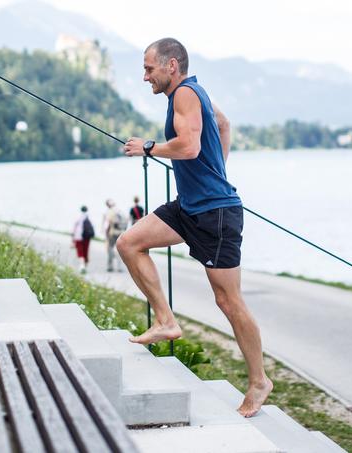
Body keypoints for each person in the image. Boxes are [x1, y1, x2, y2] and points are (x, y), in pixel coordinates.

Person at [119, 38, 272, 418]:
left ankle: (259, 382)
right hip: (190, 206)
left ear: (172, 66)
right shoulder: (194, 93)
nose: (145, 76)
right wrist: (216, 170)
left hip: (216, 214)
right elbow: (223, 123)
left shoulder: (186, 94)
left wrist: (149, 147)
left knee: (228, 302)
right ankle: (166, 321)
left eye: (149, 68)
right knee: (129, 243)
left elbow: (187, 147)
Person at [102, 199, 126, 272]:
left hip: (112, 233)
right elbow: (126, 221)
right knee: (119, 250)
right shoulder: (120, 211)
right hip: (121, 232)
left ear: (107, 205)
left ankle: (110, 266)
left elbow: (107, 224)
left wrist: (106, 233)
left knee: (110, 248)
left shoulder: (109, 212)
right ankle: (119, 267)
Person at [72, 205, 94, 274]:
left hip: (78, 237)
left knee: (80, 252)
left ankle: (82, 266)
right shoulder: (88, 217)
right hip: (86, 237)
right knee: (86, 252)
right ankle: (85, 267)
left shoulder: (78, 217)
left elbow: (74, 228)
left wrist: (72, 239)